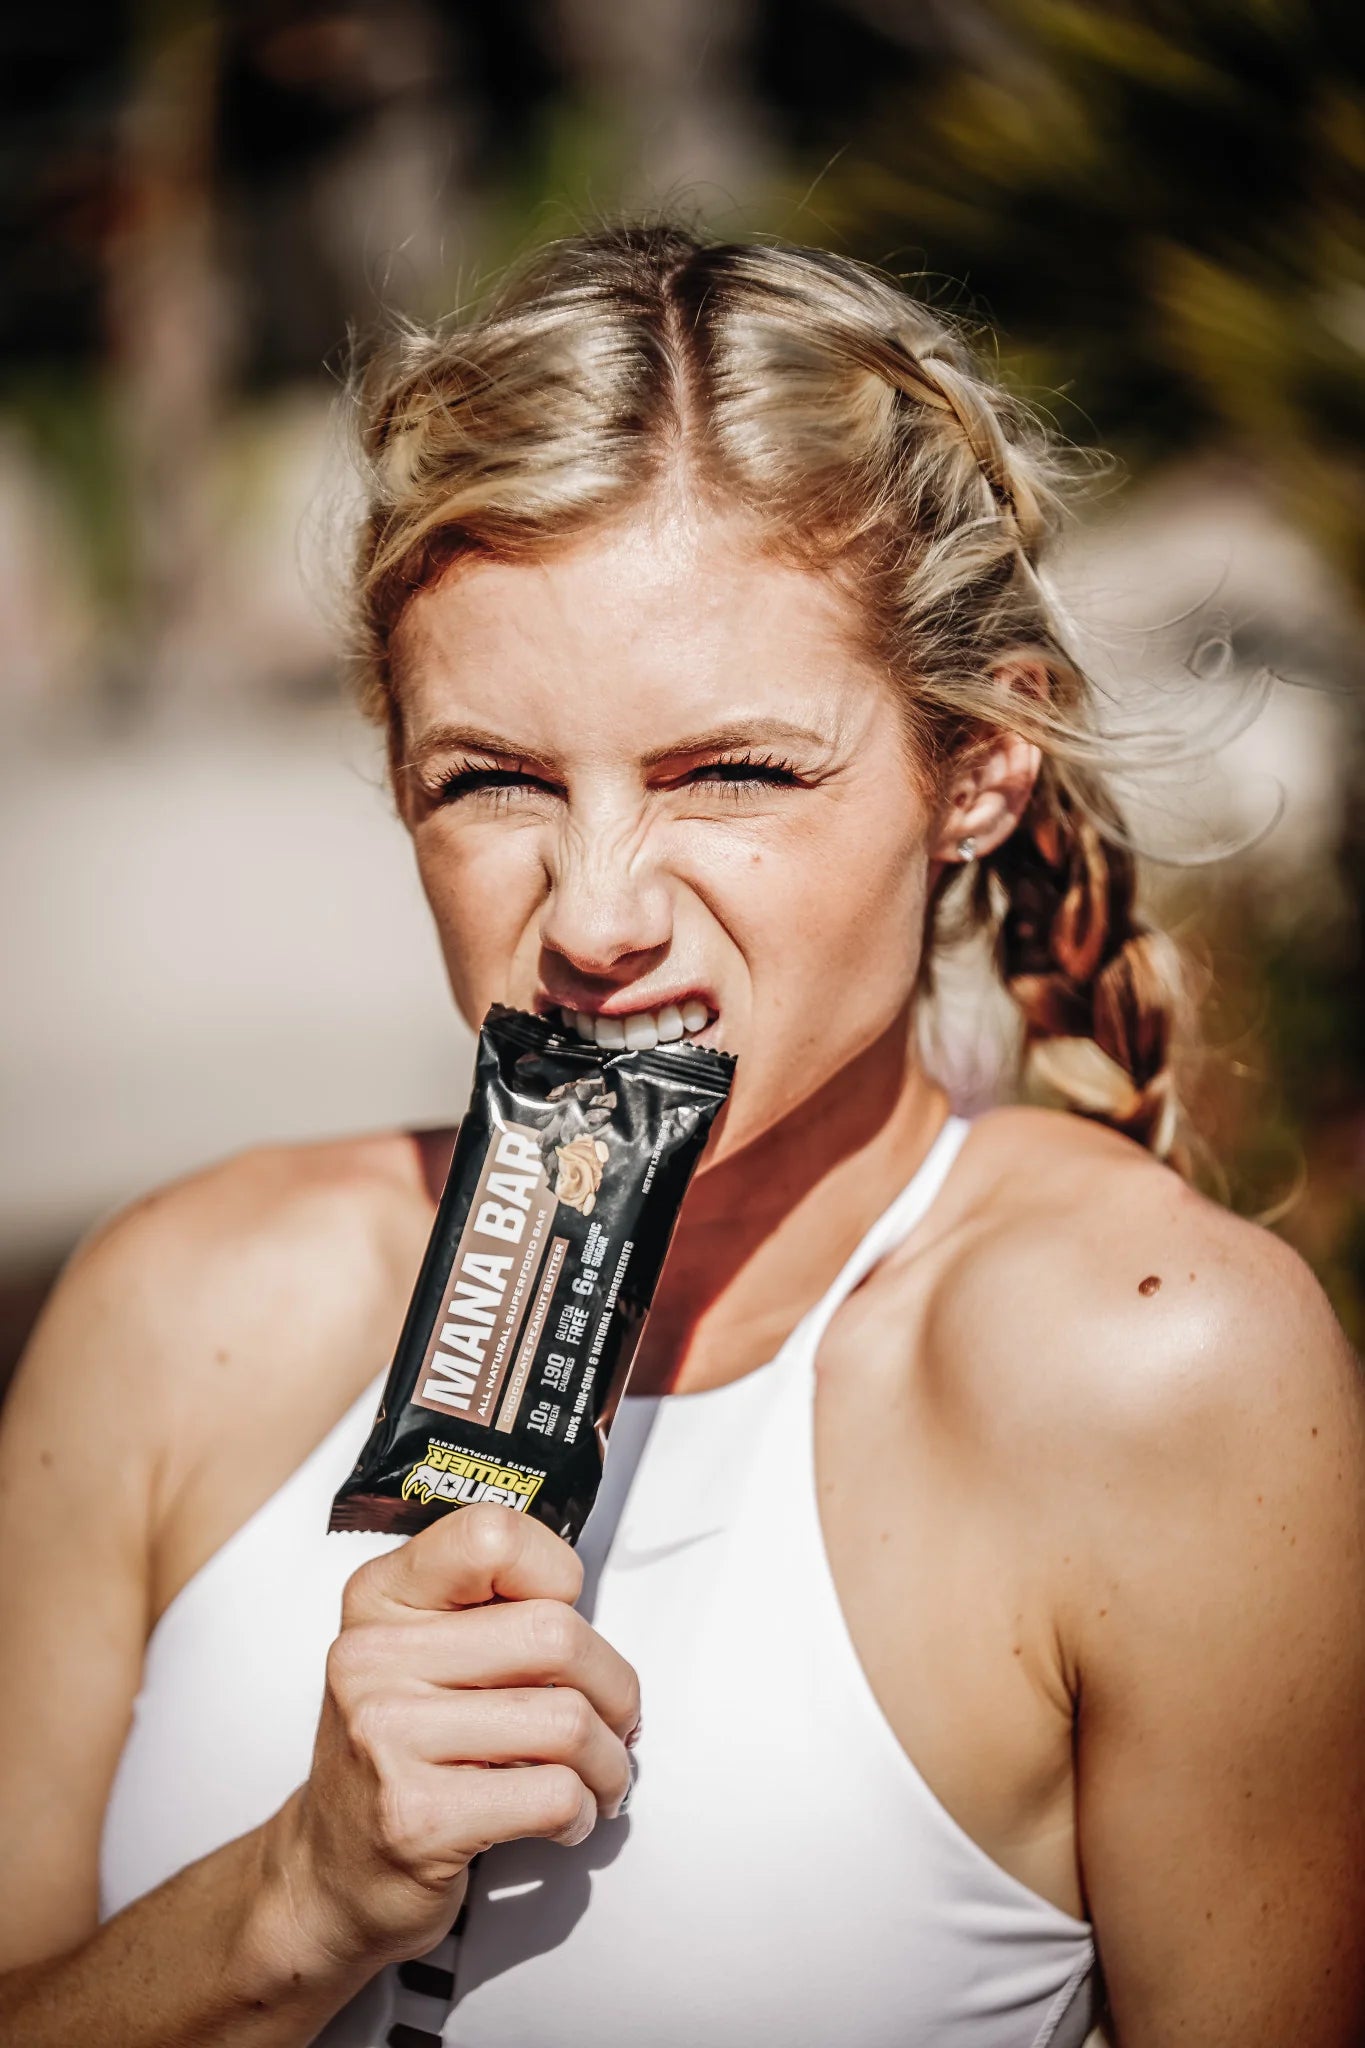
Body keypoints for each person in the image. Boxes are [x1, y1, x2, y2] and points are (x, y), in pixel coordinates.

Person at [0, 223, 1361, 2048]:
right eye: (493, 779)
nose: (594, 914)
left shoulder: (1146, 1370)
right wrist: (290, 1902)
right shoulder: (181, 1309)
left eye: (730, 771)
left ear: (977, 766)